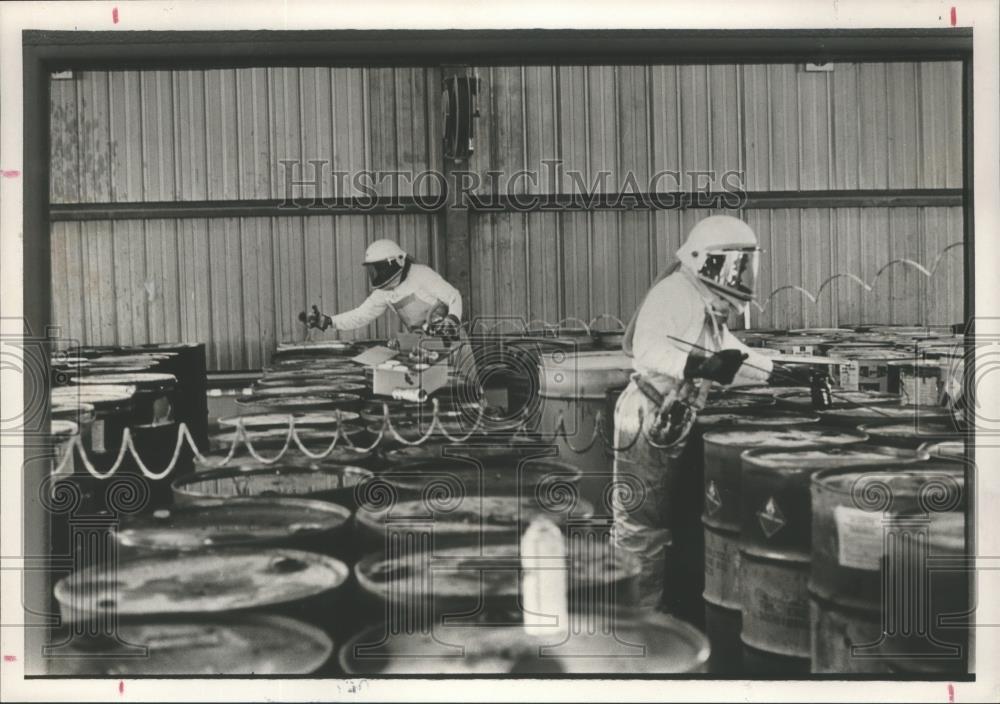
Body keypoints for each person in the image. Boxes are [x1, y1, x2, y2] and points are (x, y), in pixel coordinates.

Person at [612, 215, 780, 613]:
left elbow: (729, 349)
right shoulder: (674, 293)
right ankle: (636, 622)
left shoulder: (703, 297)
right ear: (707, 260)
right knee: (642, 530)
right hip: (649, 414)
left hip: (670, 417)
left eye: (745, 264)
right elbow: (646, 349)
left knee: (670, 525)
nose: (741, 274)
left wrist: (776, 369)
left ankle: (659, 611)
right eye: (735, 264)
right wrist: (697, 367)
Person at [304, 239, 479, 391]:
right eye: (373, 270)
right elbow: (361, 315)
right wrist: (329, 321)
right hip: (425, 347)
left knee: (467, 388)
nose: (377, 275)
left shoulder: (421, 274)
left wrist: (452, 320)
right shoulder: (384, 291)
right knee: (439, 391)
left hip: (452, 342)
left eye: (379, 268)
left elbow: (453, 295)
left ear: (396, 262)